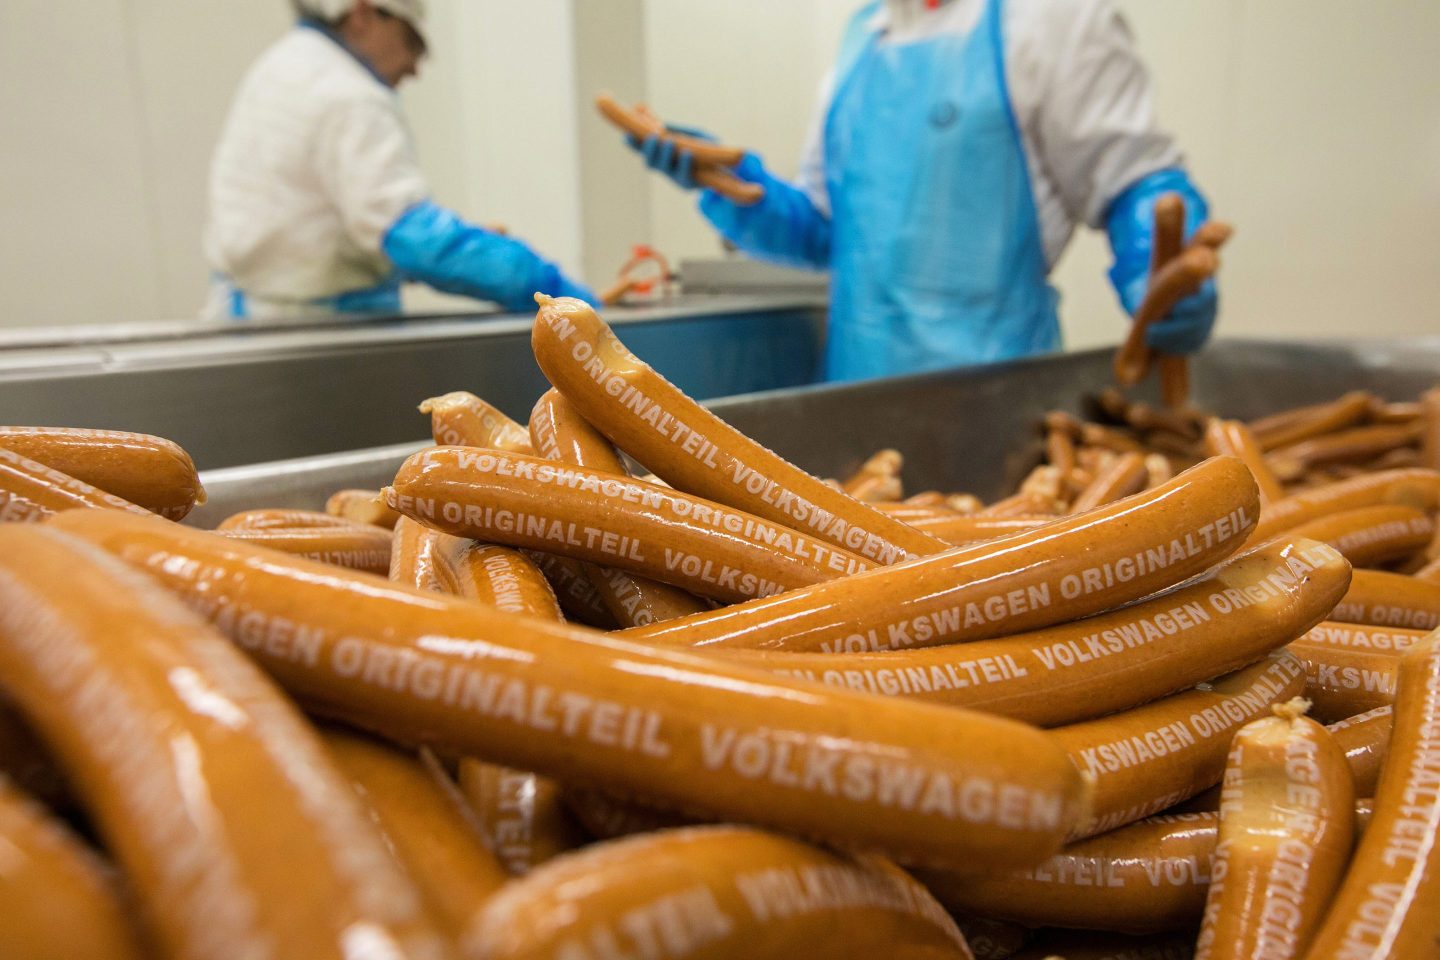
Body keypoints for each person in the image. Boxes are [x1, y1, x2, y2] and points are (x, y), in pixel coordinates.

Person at [628, 0, 1216, 382]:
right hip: (857, 392)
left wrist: (1159, 264)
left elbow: (1136, 180)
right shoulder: (864, 38)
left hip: (997, 395)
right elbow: (829, 232)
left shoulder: (1050, 20)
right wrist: (728, 184)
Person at [203, 0, 592, 321]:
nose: (414, 67)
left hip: (260, 316)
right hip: (311, 333)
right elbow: (415, 240)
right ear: (362, 13)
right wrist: (554, 293)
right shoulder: (347, 95)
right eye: (412, 41)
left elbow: (310, 229)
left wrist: (455, 250)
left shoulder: (284, 66)